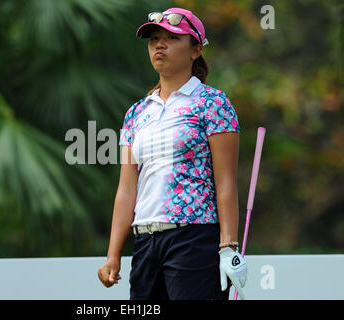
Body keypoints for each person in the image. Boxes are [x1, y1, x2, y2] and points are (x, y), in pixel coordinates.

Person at [97, 7, 248, 300]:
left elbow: (226, 181)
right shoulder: (136, 113)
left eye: (171, 38)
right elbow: (127, 189)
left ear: (195, 51)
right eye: (154, 39)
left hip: (194, 238)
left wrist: (228, 247)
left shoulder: (213, 102)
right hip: (144, 242)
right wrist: (113, 254)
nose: (159, 45)